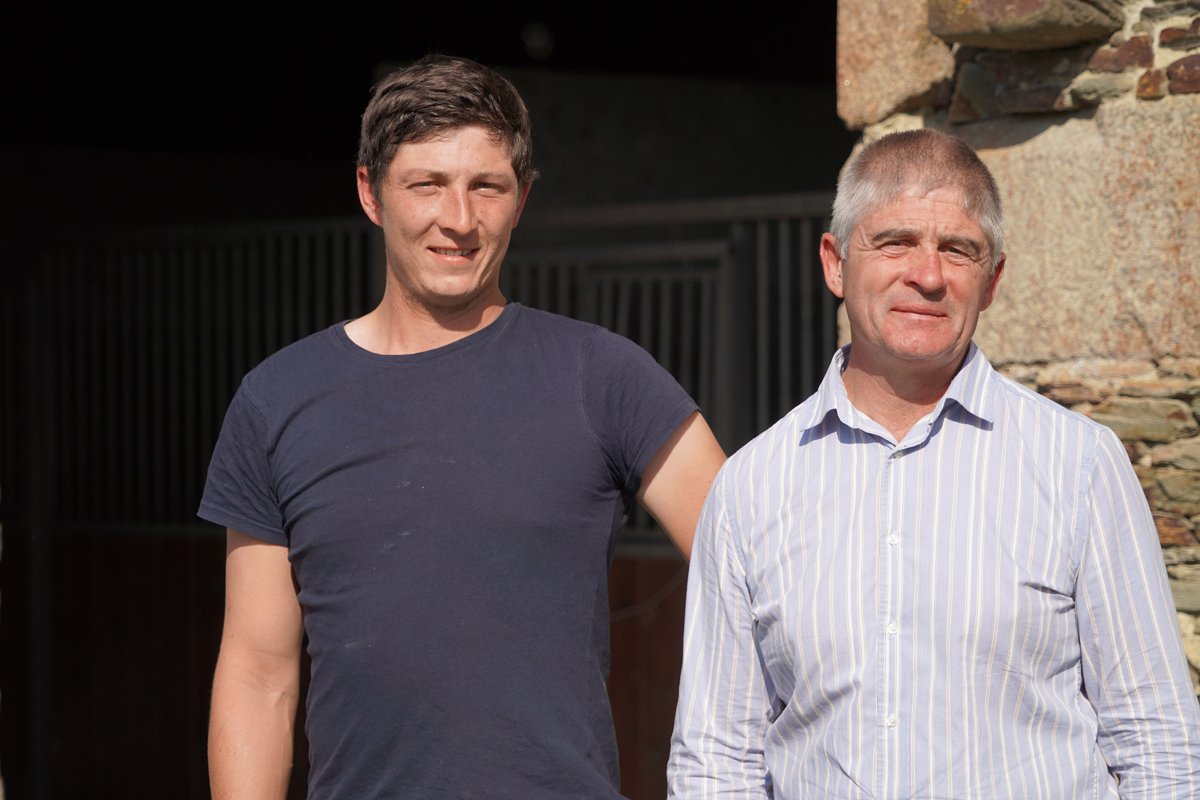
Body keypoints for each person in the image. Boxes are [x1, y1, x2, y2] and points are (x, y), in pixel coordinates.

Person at [200, 54, 725, 800]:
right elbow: (259, 675)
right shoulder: (276, 400)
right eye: (427, 185)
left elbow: (754, 570)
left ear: (522, 198)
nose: (459, 219)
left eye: (487, 187)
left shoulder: (603, 376)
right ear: (370, 192)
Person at [668, 128, 1200, 798]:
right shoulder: (751, 487)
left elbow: (1158, 739)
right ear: (835, 264)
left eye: (958, 249)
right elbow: (716, 758)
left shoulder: (1079, 466)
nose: (928, 276)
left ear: (993, 280)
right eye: (895, 242)